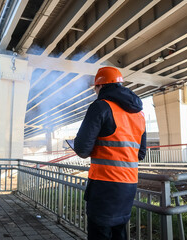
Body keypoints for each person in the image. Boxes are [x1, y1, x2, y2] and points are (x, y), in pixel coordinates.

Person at [74, 67, 146, 240]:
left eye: (95, 88)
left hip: (104, 185)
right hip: (128, 185)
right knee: (119, 232)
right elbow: (140, 153)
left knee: (100, 233)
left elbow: (82, 149)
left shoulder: (101, 106)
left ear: (100, 86)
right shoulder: (139, 114)